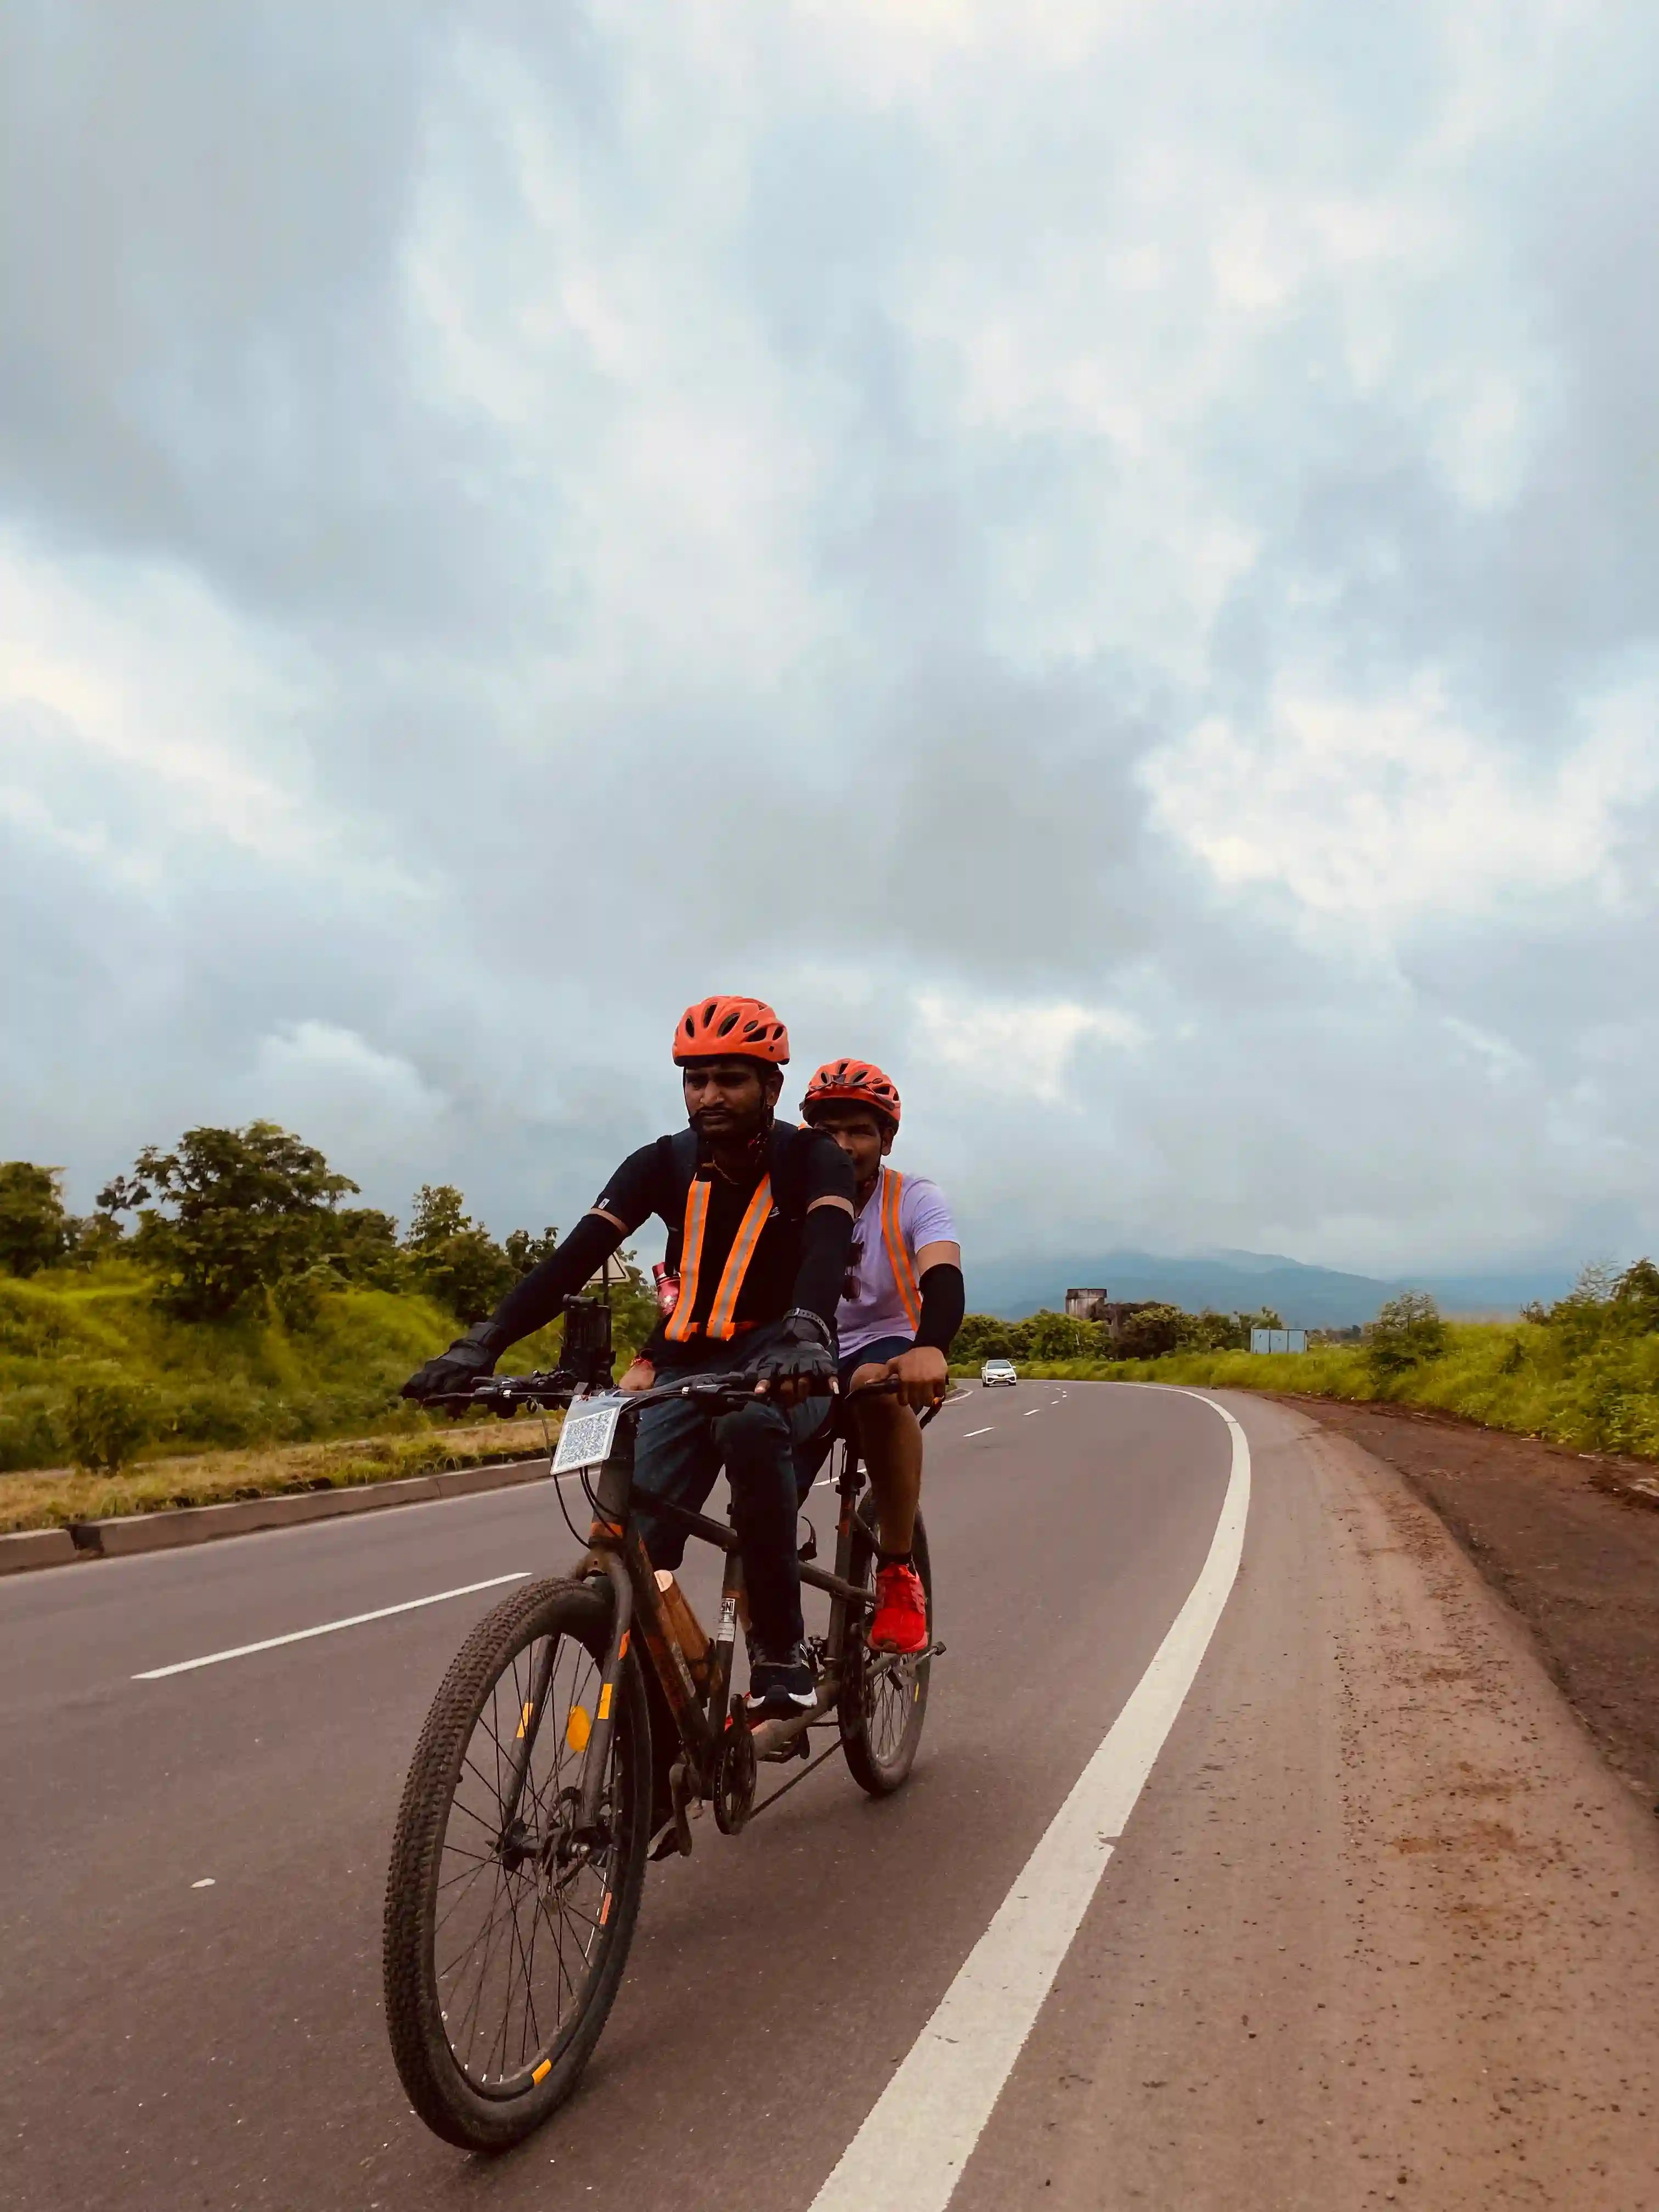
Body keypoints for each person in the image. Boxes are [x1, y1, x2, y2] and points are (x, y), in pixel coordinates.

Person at [402, 996, 856, 1722]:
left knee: (749, 1427)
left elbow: (827, 1249)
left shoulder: (812, 1157)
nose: (709, 1095)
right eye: (695, 1080)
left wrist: (806, 1328)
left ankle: (779, 1653)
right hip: (685, 1367)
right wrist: (483, 1341)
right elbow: (573, 1259)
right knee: (632, 1557)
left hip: (785, 1362)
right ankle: (664, 1732)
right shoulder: (661, 1162)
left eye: (730, 1079)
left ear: (771, 1087)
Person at [798, 1059, 963, 1656]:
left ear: (886, 1140)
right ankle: (776, 1647)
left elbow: (942, 1274)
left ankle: (897, 1569)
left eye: (859, 1131)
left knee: (874, 1384)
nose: (843, 1146)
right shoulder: (786, 1198)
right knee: (758, 1479)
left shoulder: (914, 1197)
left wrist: (931, 1346)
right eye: (828, 1131)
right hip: (807, 1350)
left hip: (885, 1343)